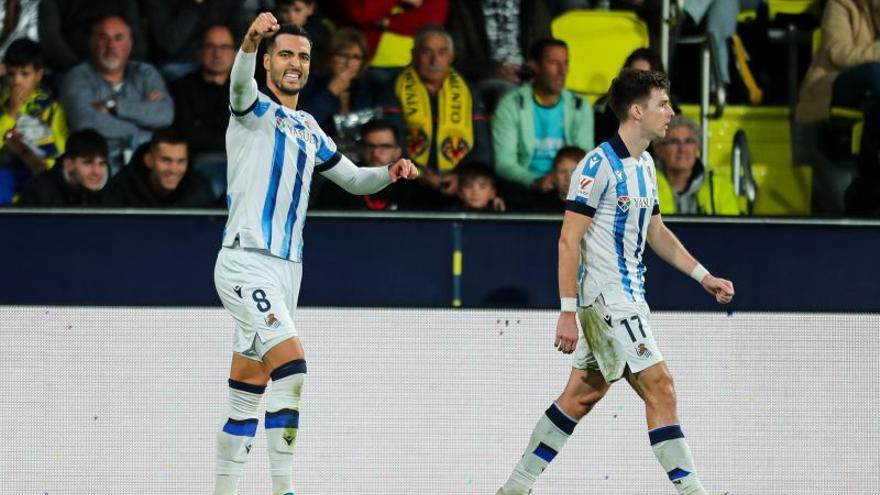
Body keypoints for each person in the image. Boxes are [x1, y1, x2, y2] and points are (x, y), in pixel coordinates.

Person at [497, 69, 735, 495]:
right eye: (663, 104)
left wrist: (704, 276)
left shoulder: (645, 164)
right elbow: (568, 239)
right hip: (608, 300)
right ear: (636, 110)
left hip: (626, 298)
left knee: (581, 395)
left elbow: (656, 231)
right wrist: (567, 313)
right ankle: (694, 493)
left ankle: (515, 487)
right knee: (660, 386)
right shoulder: (596, 165)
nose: (671, 113)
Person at [212, 14, 418, 495]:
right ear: (267, 62)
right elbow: (238, 81)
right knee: (293, 368)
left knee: (247, 390)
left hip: (288, 273)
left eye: (302, 56)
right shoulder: (251, 107)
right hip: (247, 260)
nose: (295, 63)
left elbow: (351, 179)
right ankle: (283, 489)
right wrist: (247, 39)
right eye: (284, 53)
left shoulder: (309, 127)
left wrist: (390, 171)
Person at [382, 24, 492, 207]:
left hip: (457, 183)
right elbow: (393, 140)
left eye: (442, 52)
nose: (434, 60)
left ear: (451, 56)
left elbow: (482, 145)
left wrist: (461, 177)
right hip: (407, 179)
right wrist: (421, 174)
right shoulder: (395, 87)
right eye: (427, 52)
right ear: (414, 54)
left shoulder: (468, 89)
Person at [795, 0, 880, 216]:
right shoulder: (842, 4)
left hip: (872, 94)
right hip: (836, 81)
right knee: (875, 73)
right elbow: (838, 52)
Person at [60, 15, 174, 174]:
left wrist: (115, 107)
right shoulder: (77, 77)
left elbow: (165, 115)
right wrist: (142, 130)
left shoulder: (145, 73)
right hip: (99, 163)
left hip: (145, 162)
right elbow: (86, 122)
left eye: (118, 38)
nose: (111, 45)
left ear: (130, 44)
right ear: (92, 43)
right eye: (103, 37)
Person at [493, 38, 594, 194]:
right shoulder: (511, 104)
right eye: (554, 63)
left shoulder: (579, 106)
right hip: (525, 188)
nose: (562, 71)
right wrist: (534, 181)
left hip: (569, 188)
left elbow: (585, 158)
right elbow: (504, 163)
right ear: (535, 66)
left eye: (565, 63)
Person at [171, 24, 238, 199]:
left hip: (240, 162)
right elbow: (185, 134)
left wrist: (202, 125)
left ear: (235, 53)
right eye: (211, 47)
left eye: (224, 47)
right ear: (199, 52)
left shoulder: (249, 90)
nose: (217, 53)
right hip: (197, 163)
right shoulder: (182, 87)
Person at [0, 38, 67, 204]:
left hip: (37, 173)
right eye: (11, 73)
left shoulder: (50, 108)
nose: (17, 81)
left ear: (39, 75)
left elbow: (61, 150)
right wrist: (11, 112)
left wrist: (43, 163)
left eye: (24, 74)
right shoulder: (1, 103)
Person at [298, 27, 381, 158]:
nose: (349, 63)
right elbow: (301, 126)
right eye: (343, 55)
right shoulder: (309, 83)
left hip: (363, 160)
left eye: (356, 57)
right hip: (319, 158)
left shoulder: (370, 88)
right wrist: (331, 91)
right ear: (330, 57)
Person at [653, 115, 742, 215]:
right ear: (659, 149)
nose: (682, 149)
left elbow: (733, 229)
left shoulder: (721, 187)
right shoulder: (644, 185)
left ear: (697, 147)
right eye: (674, 142)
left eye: (688, 142)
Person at [103, 128, 214, 208]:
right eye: (166, 160)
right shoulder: (122, 188)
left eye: (181, 161)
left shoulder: (199, 191)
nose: (174, 170)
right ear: (148, 160)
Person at [312, 118, 406, 211]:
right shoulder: (336, 185)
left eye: (384, 146)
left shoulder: (410, 188)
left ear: (398, 151)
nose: (375, 153)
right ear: (360, 149)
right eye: (369, 146)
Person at [18, 128, 109, 206]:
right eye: (87, 163)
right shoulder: (39, 192)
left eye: (102, 163)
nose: (97, 171)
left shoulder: (113, 192)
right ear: (69, 165)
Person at [528, 145, 585, 213]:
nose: (568, 178)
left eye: (575, 172)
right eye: (562, 172)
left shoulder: (597, 207)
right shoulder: (541, 206)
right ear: (553, 175)